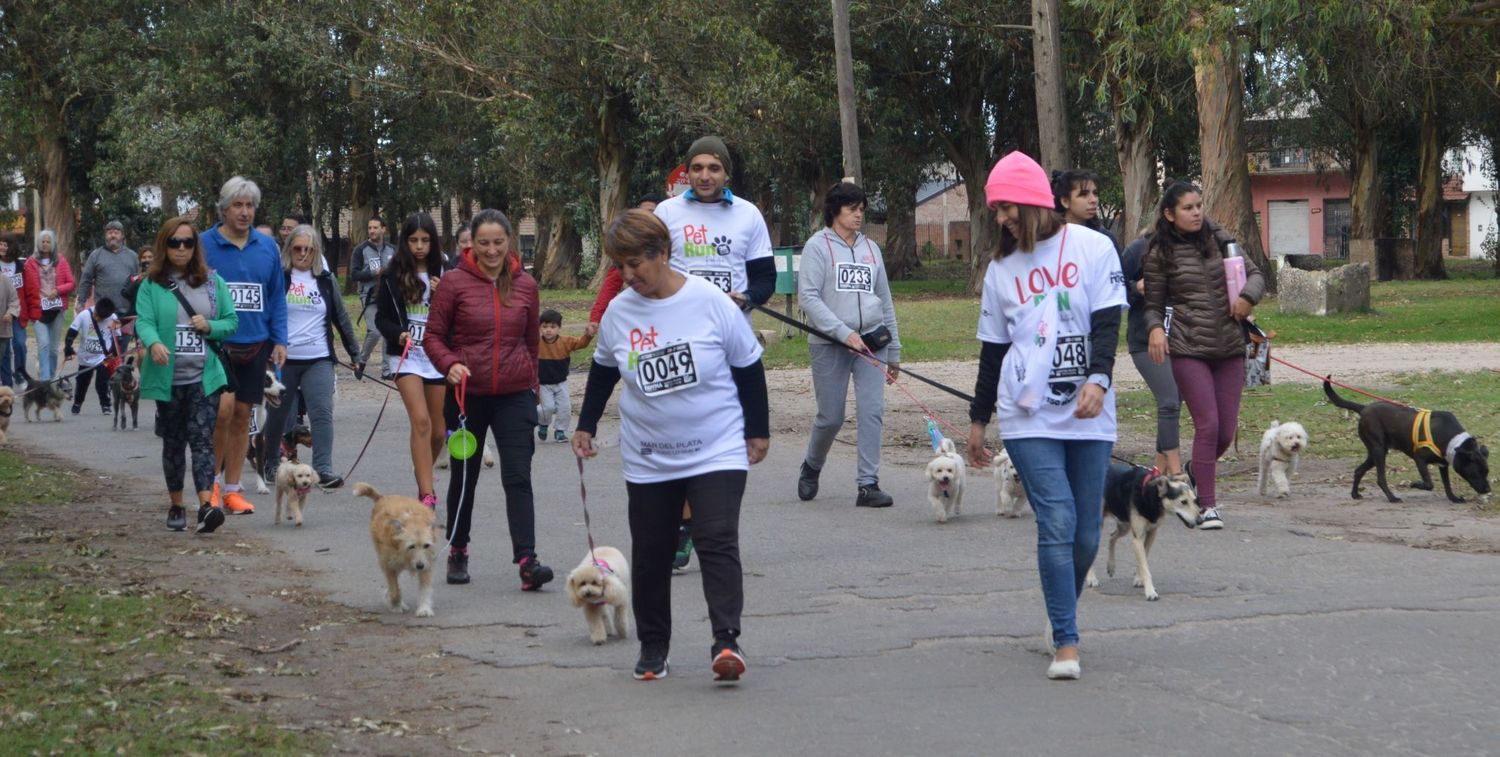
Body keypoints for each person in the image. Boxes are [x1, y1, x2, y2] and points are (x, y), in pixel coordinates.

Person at [573, 209, 769, 682]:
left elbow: (748, 364)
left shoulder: (710, 302)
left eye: (636, 263)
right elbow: (602, 370)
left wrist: (757, 429)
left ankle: (726, 641)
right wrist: (586, 425)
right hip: (650, 455)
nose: (629, 275)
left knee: (717, 539)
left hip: (716, 445)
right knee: (653, 551)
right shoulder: (619, 312)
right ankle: (654, 646)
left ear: (662, 253)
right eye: (620, 266)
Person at [964, 152, 1126, 681]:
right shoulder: (1001, 270)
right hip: (1027, 413)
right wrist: (978, 420)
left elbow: (1106, 324)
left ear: (1032, 201)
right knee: (1056, 521)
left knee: (1086, 535)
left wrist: (1099, 380)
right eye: (996, 209)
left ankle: (1061, 607)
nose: (1001, 217)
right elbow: (992, 351)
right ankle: (1066, 641)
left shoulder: (1095, 247)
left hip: (1088, 410)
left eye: (1006, 205)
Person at [425, 209, 553, 591]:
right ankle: (458, 548)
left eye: (499, 242)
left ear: (509, 241)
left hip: (515, 395)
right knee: (465, 476)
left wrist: (532, 385)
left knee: (518, 475)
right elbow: (433, 336)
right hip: (467, 397)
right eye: (484, 243)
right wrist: (449, 364)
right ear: (471, 244)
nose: (492, 250)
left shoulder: (526, 284)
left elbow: (531, 343)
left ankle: (528, 559)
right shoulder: (453, 284)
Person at [1141, 181, 1265, 530]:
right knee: (1207, 424)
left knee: (1225, 431)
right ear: (1169, 214)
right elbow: (1151, 305)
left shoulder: (1222, 239)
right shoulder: (1158, 252)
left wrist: (1247, 298)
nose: (1196, 212)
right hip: (1188, 348)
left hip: (1229, 346)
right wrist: (1154, 330)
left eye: (1199, 205)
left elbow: (1255, 274)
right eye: (1188, 208)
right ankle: (1207, 505)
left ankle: (1197, 471)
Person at [795, 181, 902, 508]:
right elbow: (809, 298)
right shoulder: (817, 247)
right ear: (834, 210)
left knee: (872, 411)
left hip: (872, 342)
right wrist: (843, 333)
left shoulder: (872, 249)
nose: (859, 215)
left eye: (861, 210)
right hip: (830, 344)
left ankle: (868, 484)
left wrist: (893, 350)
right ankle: (812, 464)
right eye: (852, 209)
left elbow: (884, 299)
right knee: (832, 416)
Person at [134, 217, 238, 534]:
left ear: (195, 247)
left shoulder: (212, 283)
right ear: (164, 245)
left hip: (203, 376)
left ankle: (207, 506)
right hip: (168, 379)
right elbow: (144, 322)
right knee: (174, 444)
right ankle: (177, 504)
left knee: (202, 441)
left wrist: (211, 326)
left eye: (188, 242)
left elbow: (231, 322)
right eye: (175, 242)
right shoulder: (151, 284)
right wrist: (153, 344)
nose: (181, 248)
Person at [202, 176, 289, 515]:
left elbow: (276, 297)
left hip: (256, 345)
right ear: (224, 209)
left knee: (242, 416)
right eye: (237, 205)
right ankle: (208, 483)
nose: (244, 212)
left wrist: (280, 338)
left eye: (249, 205)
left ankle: (233, 490)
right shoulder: (204, 244)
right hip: (217, 344)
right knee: (221, 413)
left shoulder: (267, 247)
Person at [261, 225, 360, 490]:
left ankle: (323, 469)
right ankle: (270, 462)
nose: (303, 254)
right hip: (284, 358)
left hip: (319, 358)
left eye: (309, 249)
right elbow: (266, 315)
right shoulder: (279, 278)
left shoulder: (326, 280)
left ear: (316, 252)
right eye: (297, 248)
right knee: (278, 414)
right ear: (289, 249)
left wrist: (355, 353)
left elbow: (341, 317)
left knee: (322, 412)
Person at [374, 213, 450, 507]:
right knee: (420, 421)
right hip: (405, 357)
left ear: (433, 242)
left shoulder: (447, 272)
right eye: (413, 240)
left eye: (425, 240)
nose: (419, 246)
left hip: (436, 355)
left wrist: (445, 295)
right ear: (405, 242)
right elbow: (381, 318)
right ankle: (427, 492)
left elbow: (459, 316)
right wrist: (398, 334)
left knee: (439, 430)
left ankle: (423, 471)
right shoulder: (392, 275)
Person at [1120, 232, 1183, 477]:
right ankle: (1177, 475)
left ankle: (1160, 468)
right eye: (1186, 209)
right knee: (1168, 400)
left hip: (1181, 340)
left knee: (1175, 401)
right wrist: (1136, 287)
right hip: (1145, 340)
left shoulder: (1192, 249)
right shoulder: (1138, 250)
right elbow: (1112, 286)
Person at [588, 194, 664, 328]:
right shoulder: (629, 247)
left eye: (651, 213)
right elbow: (611, 283)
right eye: (642, 213)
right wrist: (595, 318)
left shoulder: (674, 241)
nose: (645, 218)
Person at [535, 309, 594, 444]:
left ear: (559, 328)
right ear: (539, 327)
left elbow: (581, 343)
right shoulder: (536, 343)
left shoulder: (566, 341)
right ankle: (543, 424)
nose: (548, 330)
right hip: (543, 384)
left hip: (561, 383)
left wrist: (588, 336)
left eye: (552, 327)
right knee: (547, 408)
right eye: (545, 327)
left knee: (565, 408)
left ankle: (560, 431)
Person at [25, 231, 74, 381]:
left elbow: (71, 283)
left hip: (57, 309)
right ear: (39, 243)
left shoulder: (61, 260)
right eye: (43, 241)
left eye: (48, 241)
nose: (45, 244)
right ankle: (45, 381)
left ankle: (52, 377)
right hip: (38, 310)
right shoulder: (30, 262)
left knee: (53, 348)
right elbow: (27, 286)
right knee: (44, 345)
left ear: (53, 244)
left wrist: (57, 291)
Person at [351, 216, 396, 379]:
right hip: (369, 296)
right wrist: (373, 273)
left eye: (375, 228)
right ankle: (362, 360)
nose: (372, 231)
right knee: (375, 331)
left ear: (383, 229)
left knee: (388, 333)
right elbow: (354, 274)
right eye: (369, 228)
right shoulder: (360, 250)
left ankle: (386, 370)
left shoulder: (392, 250)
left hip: (388, 296)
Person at [64, 297, 121, 415]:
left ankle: (105, 404)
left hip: (103, 358)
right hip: (85, 357)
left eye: (100, 318)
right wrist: (68, 347)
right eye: (96, 315)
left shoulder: (113, 318)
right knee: (82, 382)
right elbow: (71, 332)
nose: (97, 318)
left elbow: (118, 338)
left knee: (102, 382)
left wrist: (113, 354)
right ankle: (77, 403)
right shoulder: (84, 315)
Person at [76, 220, 139, 313]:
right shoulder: (96, 255)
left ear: (122, 236)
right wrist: (81, 302)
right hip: (103, 311)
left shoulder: (133, 256)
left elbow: (138, 281)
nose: (113, 235)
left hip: (127, 311)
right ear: (105, 236)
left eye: (116, 233)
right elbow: (86, 280)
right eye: (110, 233)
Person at [1051, 170, 1118, 249]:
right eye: (1083, 194)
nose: (1093, 200)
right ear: (1065, 201)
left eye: (1095, 193)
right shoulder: (1050, 238)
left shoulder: (1104, 239)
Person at [0, 233, 29, 386]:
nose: (3, 247)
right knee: (4, 351)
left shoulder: (20, 266)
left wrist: (32, 309)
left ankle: (20, 373)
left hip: (17, 312)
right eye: (0, 244)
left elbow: (29, 289)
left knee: (19, 344)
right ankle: (6, 382)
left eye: (6, 244)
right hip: (1, 315)